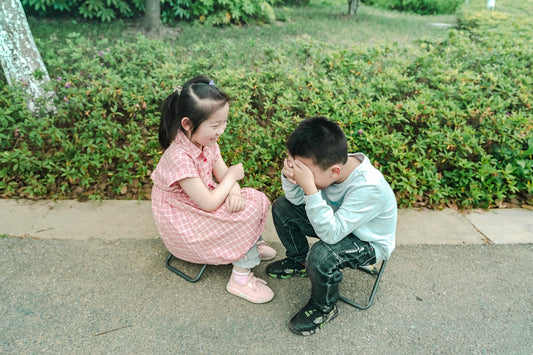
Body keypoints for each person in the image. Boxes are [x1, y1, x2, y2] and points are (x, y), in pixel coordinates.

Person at [266, 116, 397, 335]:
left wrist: (309, 187)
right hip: (334, 225)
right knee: (282, 207)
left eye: (305, 171)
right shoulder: (327, 166)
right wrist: (291, 179)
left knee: (322, 255)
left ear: (334, 171)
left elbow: (331, 234)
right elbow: (297, 202)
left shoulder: (368, 187)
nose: (301, 174)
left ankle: (324, 307)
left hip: (366, 242)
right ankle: (299, 261)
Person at [151, 75, 276, 304]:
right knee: (246, 213)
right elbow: (209, 201)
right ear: (187, 124)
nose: (222, 130)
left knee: (254, 199)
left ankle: (249, 245)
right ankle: (240, 277)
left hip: (202, 204)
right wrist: (231, 179)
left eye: (225, 122)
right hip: (185, 224)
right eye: (215, 125)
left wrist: (235, 191)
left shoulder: (206, 143)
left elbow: (223, 175)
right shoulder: (179, 157)